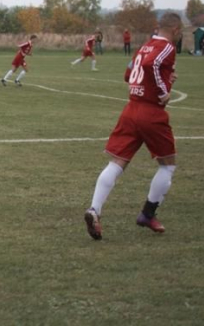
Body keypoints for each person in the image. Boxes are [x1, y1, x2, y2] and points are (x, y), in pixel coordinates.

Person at [84, 12, 183, 241]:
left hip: (131, 110)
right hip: (150, 112)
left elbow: (129, 74)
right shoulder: (167, 47)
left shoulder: (144, 46)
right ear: (176, 30)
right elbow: (153, 64)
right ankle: (148, 214)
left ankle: (94, 210)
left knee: (117, 162)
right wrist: (163, 91)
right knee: (167, 165)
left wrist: (165, 80)